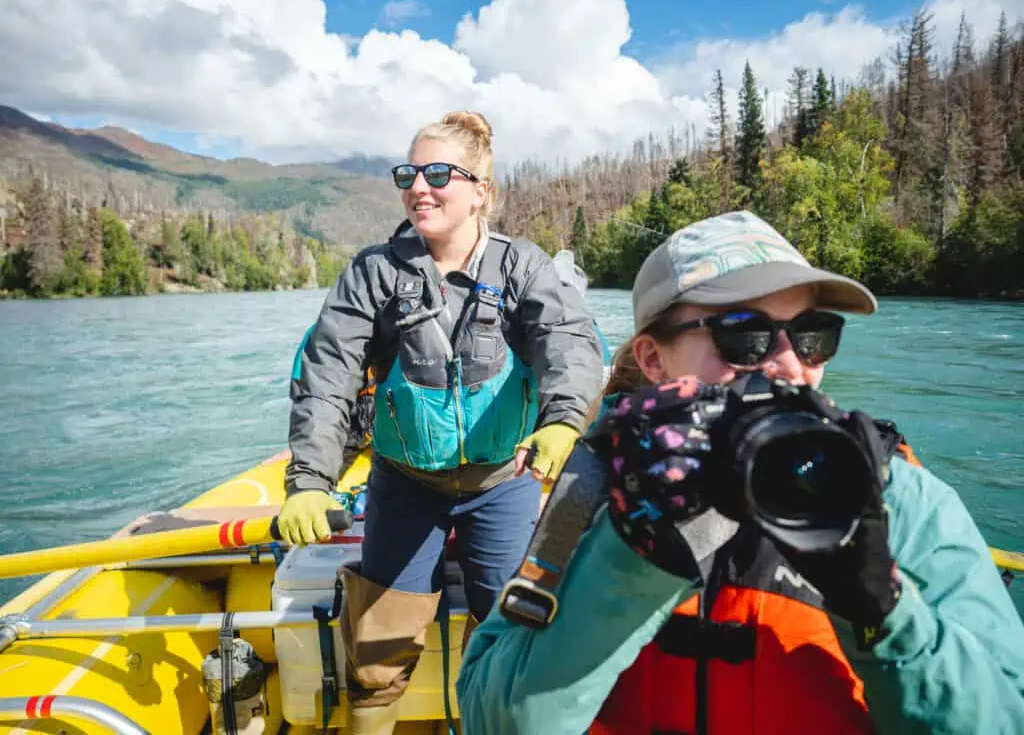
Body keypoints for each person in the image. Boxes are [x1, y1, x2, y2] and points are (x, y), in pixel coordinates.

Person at [456, 210, 1024, 734]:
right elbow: (497, 721)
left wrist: (882, 609)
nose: (788, 363)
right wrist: (632, 558)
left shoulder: (902, 497)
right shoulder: (597, 489)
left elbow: (1001, 717)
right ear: (654, 360)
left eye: (813, 335)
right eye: (744, 334)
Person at [278, 110, 605, 733]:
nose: (418, 187)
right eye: (409, 173)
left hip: (502, 485)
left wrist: (564, 422)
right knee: (376, 652)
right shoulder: (372, 273)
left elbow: (567, 344)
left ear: (481, 189)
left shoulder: (522, 267)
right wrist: (310, 481)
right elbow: (327, 381)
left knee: (513, 635)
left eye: (436, 173)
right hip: (403, 487)